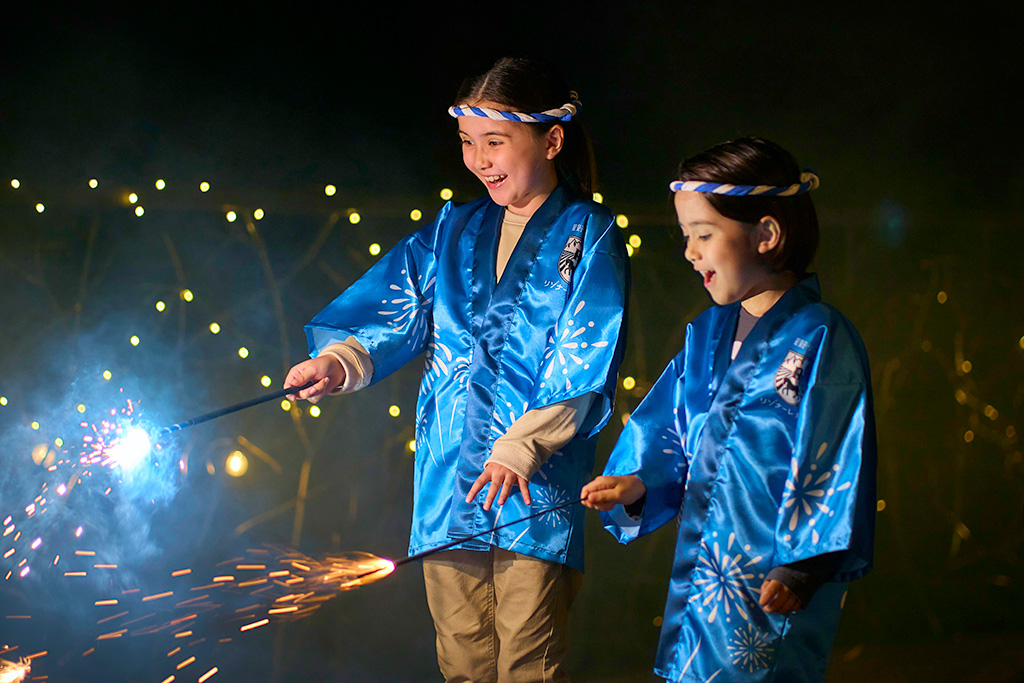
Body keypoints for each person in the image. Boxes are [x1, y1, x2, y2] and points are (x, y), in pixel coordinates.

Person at [286, 56, 629, 682]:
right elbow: (396, 308)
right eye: (469, 142)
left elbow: (585, 353)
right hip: (450, 482)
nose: (479, 159)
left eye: (495, 142)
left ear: (552, 140)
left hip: (535, 490)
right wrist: (338, 362)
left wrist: (522, 447)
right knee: (462, 663)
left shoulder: (591, 232)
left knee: (528, 662)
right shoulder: (454, 227)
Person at [581, 138, 876, 682]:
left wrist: (802, 566)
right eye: (687, 236)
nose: (690, 252)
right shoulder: (706, 334)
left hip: (772, 576)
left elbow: (834, 455)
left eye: (705, 235)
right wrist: (638, 483)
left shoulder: (819, 337)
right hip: (706, 571)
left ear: (766, 234)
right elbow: (670, 431)